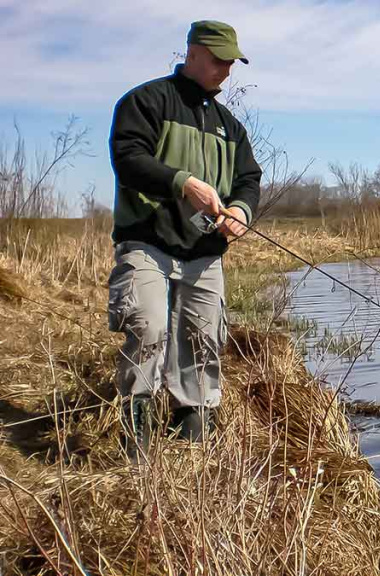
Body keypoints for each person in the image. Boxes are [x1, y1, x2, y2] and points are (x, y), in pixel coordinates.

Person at [107, 20, 261, 461]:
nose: (226, 71)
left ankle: (192, 434)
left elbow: (248, 180)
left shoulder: (229, 126)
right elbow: (128, 158)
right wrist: (183, 183)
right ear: (192, 52)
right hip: (147, 242)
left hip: (204, 253)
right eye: (218, 60)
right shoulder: (145, 101)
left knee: (202, 339)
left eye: (231, 63)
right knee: (148, 327)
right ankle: (136, 441)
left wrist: (241, 212)